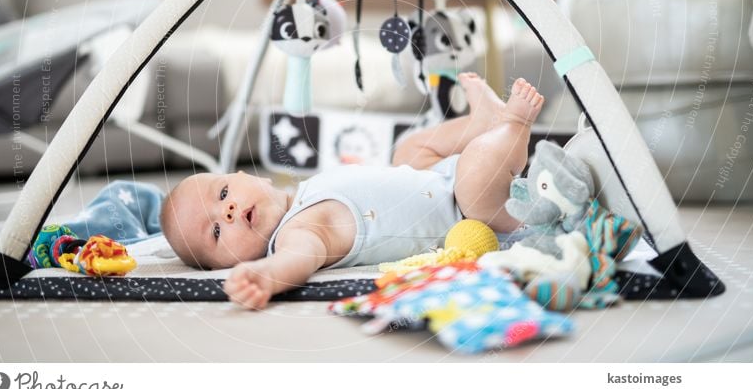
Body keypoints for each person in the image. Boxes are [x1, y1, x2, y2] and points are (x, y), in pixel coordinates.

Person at [160, 73, 544, 309]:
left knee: (407, 149)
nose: (226, 212)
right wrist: (265, 275)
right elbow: (297, 262)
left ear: (250, 176)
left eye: (223, 192)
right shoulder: (296, 235)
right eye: (215, 232)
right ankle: (513, 125)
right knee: (476, 174)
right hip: (471, 210)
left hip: (433, 178)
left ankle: (480, 123)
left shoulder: (303, 194)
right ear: (227, 266)